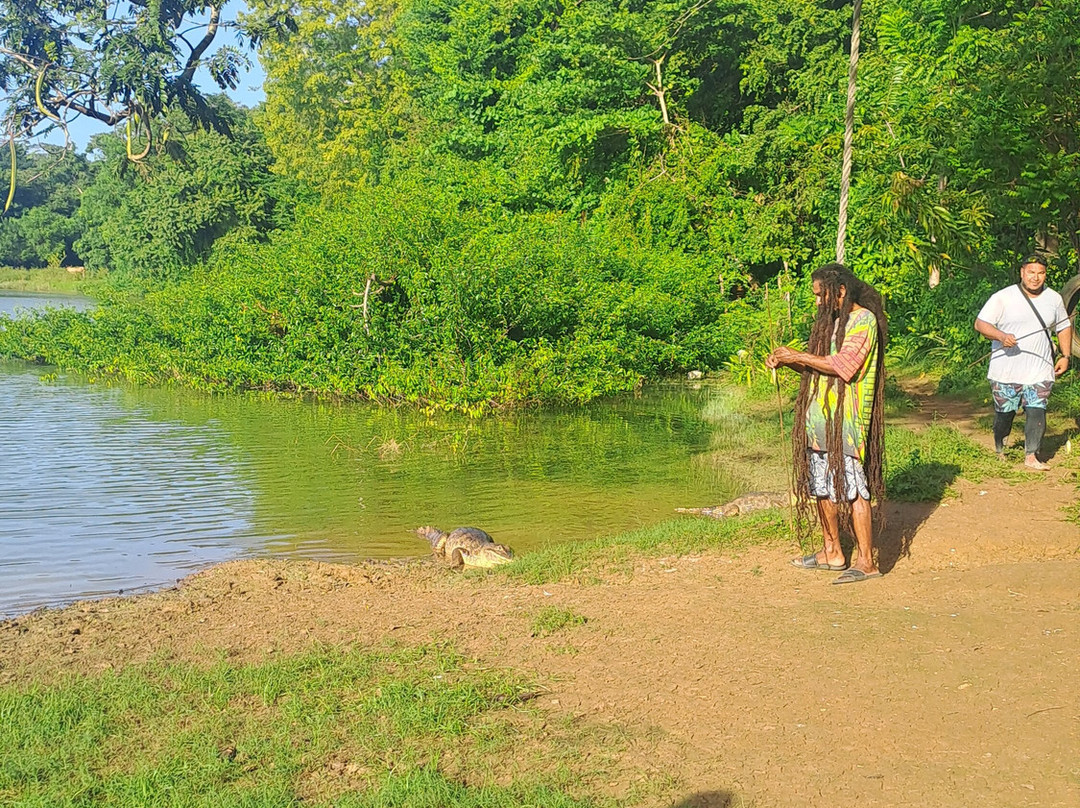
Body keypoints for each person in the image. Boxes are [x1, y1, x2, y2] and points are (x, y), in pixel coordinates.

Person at [766, 263, 887, 584]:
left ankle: (866, 561)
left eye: (821, 295)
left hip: (846, 423)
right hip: (819, 422)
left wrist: (798, 356)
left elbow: (845, 366)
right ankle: (832, 552)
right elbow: (819, 369)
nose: (817, 301)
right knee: (821, 487)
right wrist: (787, 361)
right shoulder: (832, 323)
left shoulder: (864, 320)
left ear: (841, 292)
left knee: (854, 490)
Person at [974, 255, 1072, 470]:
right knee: (1005, 413)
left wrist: (1065, 356)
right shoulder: (1003, 297)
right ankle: (1000, 446)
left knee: (1037, 409)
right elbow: (981, 324)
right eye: (1031, 272)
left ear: (1045, 274)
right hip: (1005, 371)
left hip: (1040, 369)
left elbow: (1063, 326)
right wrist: (1000, 336)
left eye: (1040, 273)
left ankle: (1031, 456)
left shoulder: (1053, 298)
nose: (1035, 278)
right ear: (1022, 272)